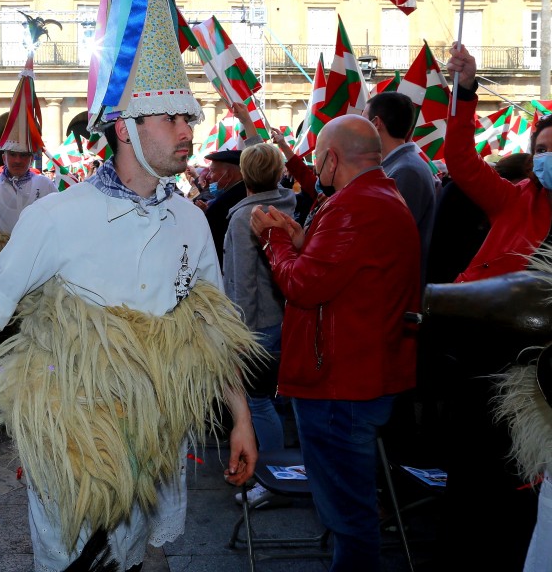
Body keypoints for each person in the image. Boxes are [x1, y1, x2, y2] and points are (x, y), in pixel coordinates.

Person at [0, 0, 259, 569]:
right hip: (74, 444)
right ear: (127, 127)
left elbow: (215, 329)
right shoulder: (57, 216)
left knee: (141, 561)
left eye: (190, 117)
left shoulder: (190, 219)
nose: (189, 130)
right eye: (173, 117)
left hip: (158, 441)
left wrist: (242, 419)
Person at [251, 115, 420, 572]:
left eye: (316, 158)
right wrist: (301, 239)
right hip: (360, 375)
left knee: (349, 515)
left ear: (331, 158)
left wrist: (273, 241)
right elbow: (346, 270)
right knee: (351, 508)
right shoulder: (379, 195)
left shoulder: (354, 206)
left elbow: (304, 285)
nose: (314, 166)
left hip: (340, 383)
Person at [439, 43, 552, 569]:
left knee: (521, 483)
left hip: (538, 375)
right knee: (474, 470)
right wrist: (464, 90)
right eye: (542, 148)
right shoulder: (515, 196)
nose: (547, 156)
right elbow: (460, 161)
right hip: (483, 355)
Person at [223, 143, 296, 510]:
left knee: (257, 401)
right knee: (273, 400)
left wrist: (240, 333)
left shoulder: (244, 217)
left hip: (255, 325)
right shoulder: (287, 203)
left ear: (245, 175)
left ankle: (271, 480)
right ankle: (278, 471)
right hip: (282, 318)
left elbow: (243, 282)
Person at [0, 47, 56, 280]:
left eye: (23, 155)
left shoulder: (46, 186)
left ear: (31, 157)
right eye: (12, 154)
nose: (17, 160)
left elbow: (58, 225)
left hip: (35, 266)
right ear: (3, 155)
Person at [364, 91, 437, 274]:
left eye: (364, 119)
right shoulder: (400, 166)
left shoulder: (406, 171)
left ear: (376, 123)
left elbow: (388, 239)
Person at [199, 149, 245, 270]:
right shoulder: (246, 192)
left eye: (212, 171)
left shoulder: (222, 205)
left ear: (228, 175)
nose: (208, 176)